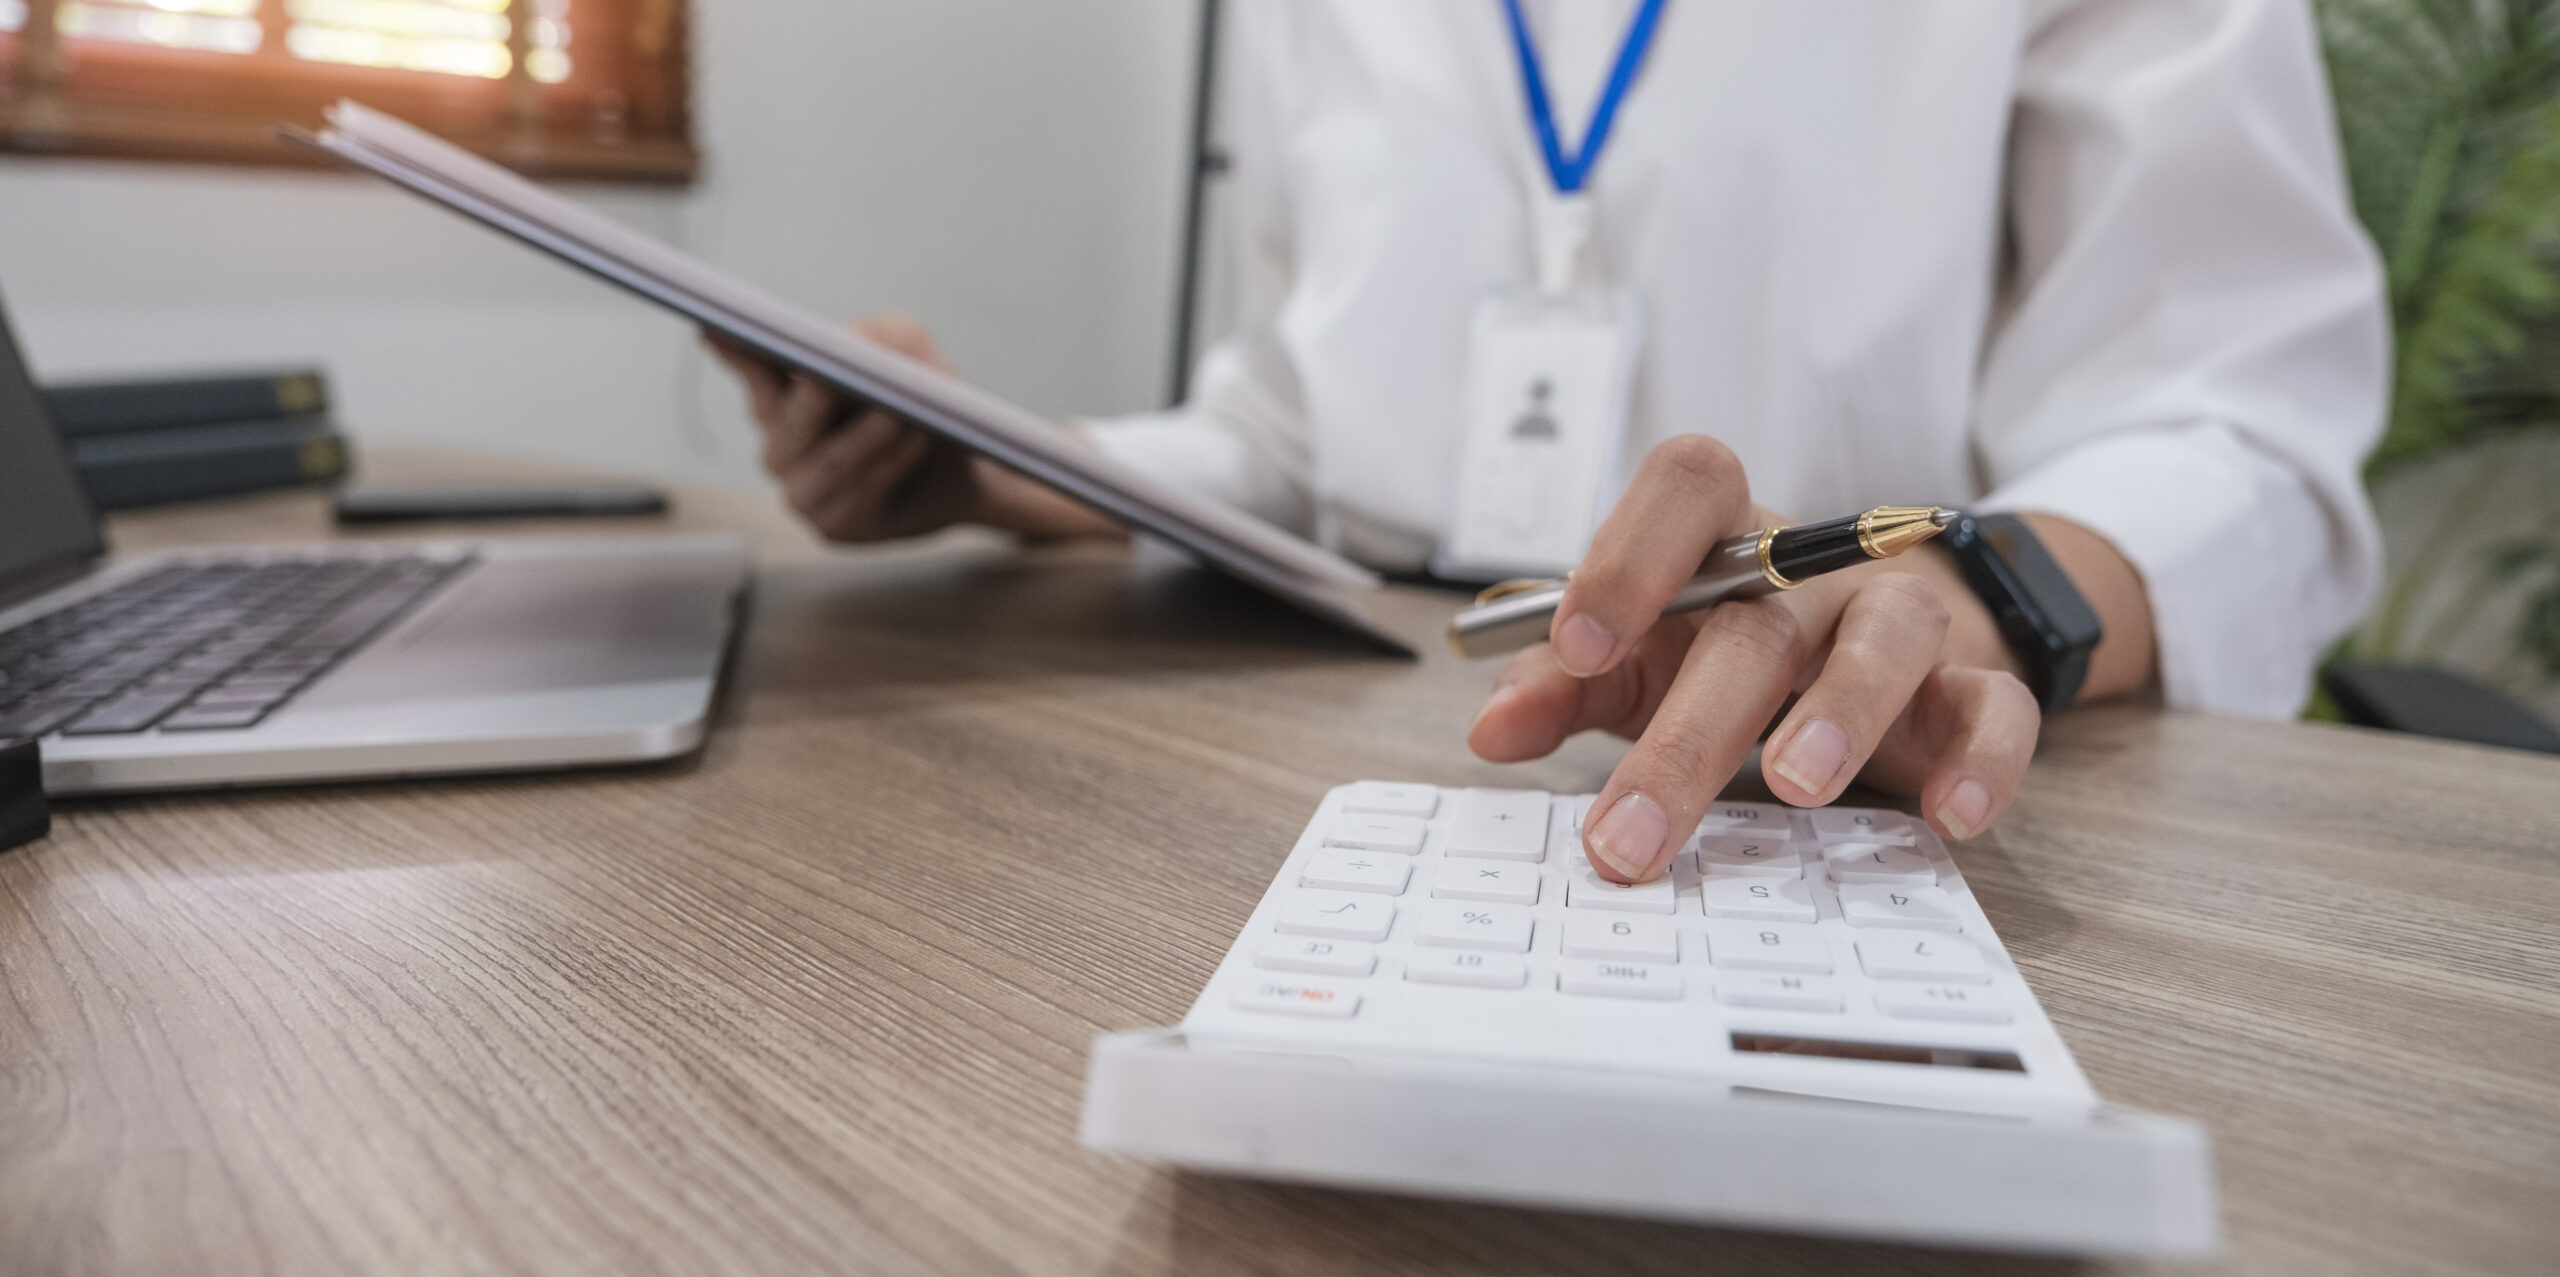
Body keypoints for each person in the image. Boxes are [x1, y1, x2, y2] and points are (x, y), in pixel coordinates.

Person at [710, 0, 2386, 885]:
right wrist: (999, 471)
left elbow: (2239, 426)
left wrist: (1962, 592)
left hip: (1837, 797)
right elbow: (1293, 432)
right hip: (1346, 718)